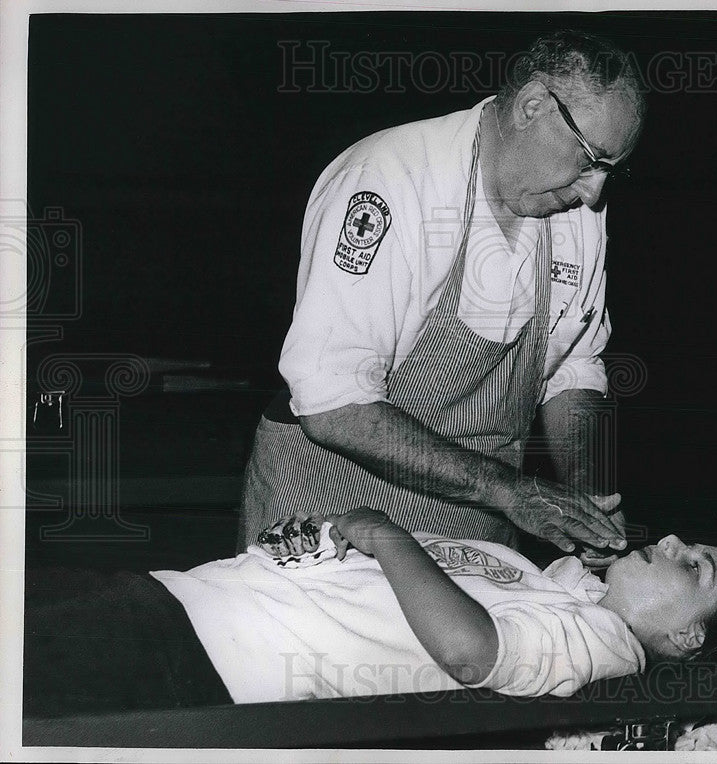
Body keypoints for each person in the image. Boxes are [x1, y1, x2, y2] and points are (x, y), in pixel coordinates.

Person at [237, 30, 647, 558]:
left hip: (471, 514)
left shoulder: (576, 208)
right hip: (331, 498)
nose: (595, 192)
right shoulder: (389, 180)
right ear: (532, 105)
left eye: (611, 170)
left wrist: (587, 494)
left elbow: (573, 366)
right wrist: (509, 489)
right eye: (590, 159)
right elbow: (332, 404)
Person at [23, 509, 717, 718]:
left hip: (189, 655)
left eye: (694, 565)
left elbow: (470, 650)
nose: (671, 541)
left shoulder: (598, 642)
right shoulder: (549, 582)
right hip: (174, 600)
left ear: (688, 636)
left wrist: (383, 534)